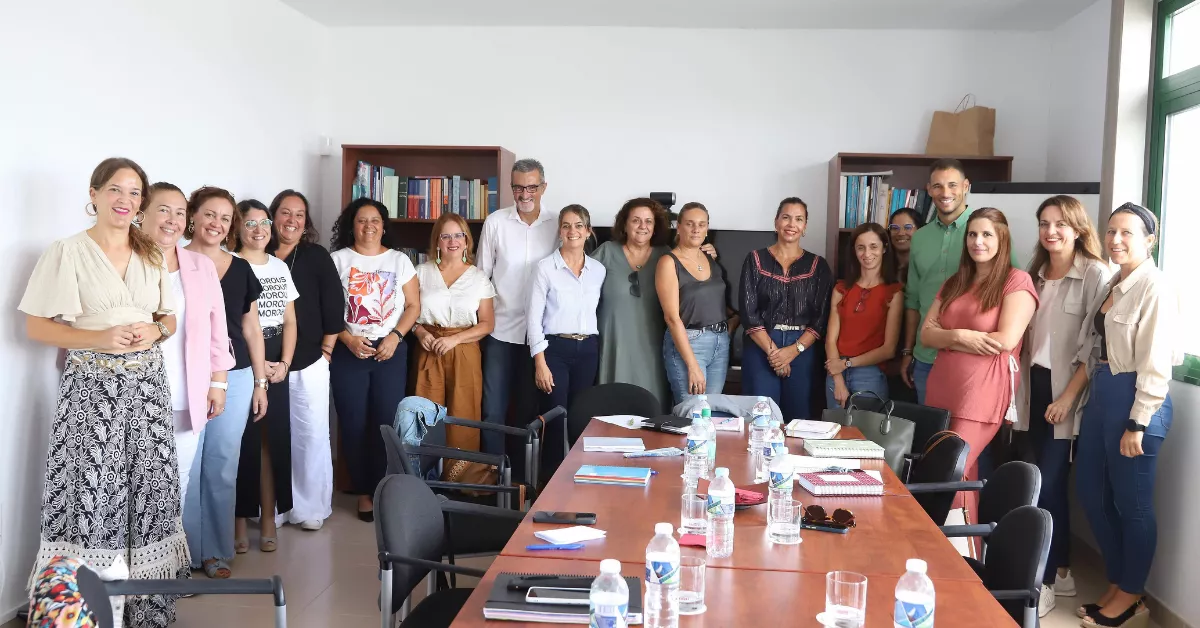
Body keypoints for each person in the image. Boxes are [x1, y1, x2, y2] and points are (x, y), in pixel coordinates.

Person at [19, 157, 189, 626]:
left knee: (151, 487)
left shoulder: (152, 252)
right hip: (91, 388)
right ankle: (86, 609)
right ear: (93, 194)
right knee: (93, 490)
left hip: (148, 387)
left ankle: (146, 609)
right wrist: (99, 338)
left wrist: (155, 333)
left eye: (135, 193)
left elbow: (168, 318)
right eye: (116, 189)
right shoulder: (66, 251)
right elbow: (36, 326)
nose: (125, 200)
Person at [1074, 203, 1180, 628]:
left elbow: (1157, 361)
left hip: (1136, 402)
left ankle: (1133, 593)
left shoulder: (1154, 286)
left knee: (1132, 505)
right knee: (1092, 495)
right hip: (1103, 393)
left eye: (1127, 233)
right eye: (1111, 231)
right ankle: (1119, 581)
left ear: (1149, 240)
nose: (1115, 240)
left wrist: (1138, 421)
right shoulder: (1115, 282)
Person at [1014, 196, 1110, 616]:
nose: (1051, 231)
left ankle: (1049, 578)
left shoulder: (1094, 273)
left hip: (1065, 390)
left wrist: (1068, 398)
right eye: (1044, 223)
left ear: (1077, 227)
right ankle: (1065, 571)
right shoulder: (1034, 274)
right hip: (1030, 386)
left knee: (1051, 482)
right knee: (1031, 479)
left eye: (1060, 224)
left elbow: (1095, 347)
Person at [920, 208, 1038, 531]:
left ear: (1002, 237)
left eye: (987, 234)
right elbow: (925, 335)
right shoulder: (956, 282)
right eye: (972, 234)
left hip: (981, 392)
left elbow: (1004, 340)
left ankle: (956, 550)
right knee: (959, 473)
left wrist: (947, 340)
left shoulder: (1017, 281)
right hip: (942, 388)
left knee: (950, 470)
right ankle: (965, 555)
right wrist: (959, 336)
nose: (978, 241)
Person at [184, 186, 269, 577]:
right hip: (183, 375)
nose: (216, 224)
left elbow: (251, 328)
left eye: (224, 217)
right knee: (187, 465)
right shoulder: (174, 261)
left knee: (220, 464)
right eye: (208, 215)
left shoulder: (241, 269)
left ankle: (215, 551)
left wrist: (260, 381)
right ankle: (181, 552)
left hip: (233, 378)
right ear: (192, 217)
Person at [141, 182, 235, 518]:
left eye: (179, 212)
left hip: (187, 393)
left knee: (176, 481)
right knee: (131, 484)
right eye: (163, 210)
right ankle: (131, 567)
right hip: (133, 395)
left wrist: (219, 383)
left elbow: (217, 330)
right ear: (142, 213)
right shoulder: (123, 261)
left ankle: (164, 563)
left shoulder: (200, 265)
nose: (172, 219)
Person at [330, 198, 420, 521]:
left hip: (389, 349)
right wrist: (348, 339)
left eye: (375, 220)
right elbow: (327, 310)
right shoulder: (337, 260)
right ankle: (365, 492)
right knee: (353, 423)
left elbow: (413, 306)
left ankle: (386, 488)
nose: (369, 227)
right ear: (351, 226)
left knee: (385, 422)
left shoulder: (400, 261)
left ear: (384, 225)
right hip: (349, 348)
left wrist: (395, 337)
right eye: (361, 221)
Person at [901, 160, 1018, 404]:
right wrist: (908, 350)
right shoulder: (920, 238)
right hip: (926, 356)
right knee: (932, 436)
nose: (945, 193)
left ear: (966, 186)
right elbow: (913, 298)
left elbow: (1012, 285)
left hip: (973, 358)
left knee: (968, 435)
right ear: (929, 189)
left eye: (952, 185)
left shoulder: (987, 232)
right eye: (938, 186)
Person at [268, 189, 342, 532]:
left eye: (299, 215)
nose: (292, 221)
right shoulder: (258, 254)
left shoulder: (315, 256)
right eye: (285, 213)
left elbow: (334, 307)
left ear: (306, 222)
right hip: (266, 363)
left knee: (310, 432)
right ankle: (278, 506)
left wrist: (326, 351)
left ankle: (311, 505)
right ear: (273, 217)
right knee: (274, 436)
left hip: (311, 358)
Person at [476, 158, 558, 456]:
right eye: (518, 187)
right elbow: (481, 275)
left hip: (542, 335)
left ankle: (524, 482)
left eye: (532, 187)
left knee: (529, 413)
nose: (525, 194)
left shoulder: (558, 224)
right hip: (500, 330)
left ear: (543, 187)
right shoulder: (496, 222)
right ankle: (491, 478)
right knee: (493, 409)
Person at [233, 200, 298, 553]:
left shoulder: (279, 267)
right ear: (238, 228)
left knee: (273, 442)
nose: (259, 230)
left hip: (276, 361)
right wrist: (260, 369)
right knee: (242, 443)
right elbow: (240, 325)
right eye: (250, 223)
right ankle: (239, 520)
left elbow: (290, 320)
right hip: (244, 357)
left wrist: (284, 364)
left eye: (264, 222)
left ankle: (269, 518)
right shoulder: (231, 264)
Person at [412, 213, 496, 480]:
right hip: (429, 347)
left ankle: (461, 478)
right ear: (437, 241)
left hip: (464, 348)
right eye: (446, 235)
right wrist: (419, 332)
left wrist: (455, 339)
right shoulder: (420, 273)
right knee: (426, 415)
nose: (453, 241)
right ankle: (425, 479)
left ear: (467, 240)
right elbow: (408, 312)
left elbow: (487, 324)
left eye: (458, 235)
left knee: (463, 413)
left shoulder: (478, 277)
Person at [739, 197, 834, 420]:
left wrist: (792, 351)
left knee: (800, 420)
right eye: (786, 217)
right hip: (762, 345)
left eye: (798, 219)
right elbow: (748, 312)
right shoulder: (754, 259)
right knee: (760, 419)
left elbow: (821, 317)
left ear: (805, 227)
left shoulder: (818, 265)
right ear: (776, 222)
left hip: (803, 348)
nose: (792, 224)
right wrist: (774, 353)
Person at [528, 204, 606, 475]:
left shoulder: (598, 270)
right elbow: (533, 319)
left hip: (588, 350)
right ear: (559, 231)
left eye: (578, 225)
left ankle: (580, 478)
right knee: (556, 417)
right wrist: (540, 362)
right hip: (554, 350)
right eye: (566, 225)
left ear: (588, 231)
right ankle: (549, 483)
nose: (572, 231)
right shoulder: (545, 268)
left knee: (581, 418)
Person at [657, 202, 738, 404]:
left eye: (702, 225)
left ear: (707, 228)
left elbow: (716, 301)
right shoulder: (668, 262)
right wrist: (692, 365)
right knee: (692, 415)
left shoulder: (710, 257)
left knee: (710, 414)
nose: (696, 229)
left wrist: (730, 326)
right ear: (679, 226)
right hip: (690, 343)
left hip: (720, 343)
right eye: (690, 224)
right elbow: (671, 318)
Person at [823, 223, 903, 408]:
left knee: (867, 435)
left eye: (873, 246)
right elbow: (830, 340)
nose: (867, 254)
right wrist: (838, 378)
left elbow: (888, 349)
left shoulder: (893, 293)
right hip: (836, 371)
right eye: (861, 247)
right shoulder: (841, 289)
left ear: (884, 248)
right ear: (854, 251)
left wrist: (847, 364)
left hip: (870, 374)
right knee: (832, 434)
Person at [888, 207, 924, 284]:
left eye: (908, 227)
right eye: (895, 228)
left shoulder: (928, 267)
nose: (901, 233)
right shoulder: (881, 265)